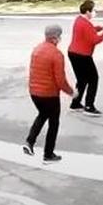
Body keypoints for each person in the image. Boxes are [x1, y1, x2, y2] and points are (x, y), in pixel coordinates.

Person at [23, 24, 73, 162]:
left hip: (34, 92)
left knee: (43, 114)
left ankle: (30, 142)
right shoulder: (57, 55)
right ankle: (48, 154)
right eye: (60, 36)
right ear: (55, 38)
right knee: (54, 123)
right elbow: (60, 80)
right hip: (49, 94)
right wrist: (71, 93)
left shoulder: (37, 49)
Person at [67, 0, 103, 115]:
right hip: (82, 55)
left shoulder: (79, 20)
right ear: (87, 11)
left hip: (73, 53)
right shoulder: (85, 23)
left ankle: (75, 103)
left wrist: (100, 28)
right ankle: (89, 106)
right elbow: (94, 40)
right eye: (93, 10)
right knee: (93, 79)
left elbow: (89, 31)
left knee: (81, 80)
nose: (94, 12)